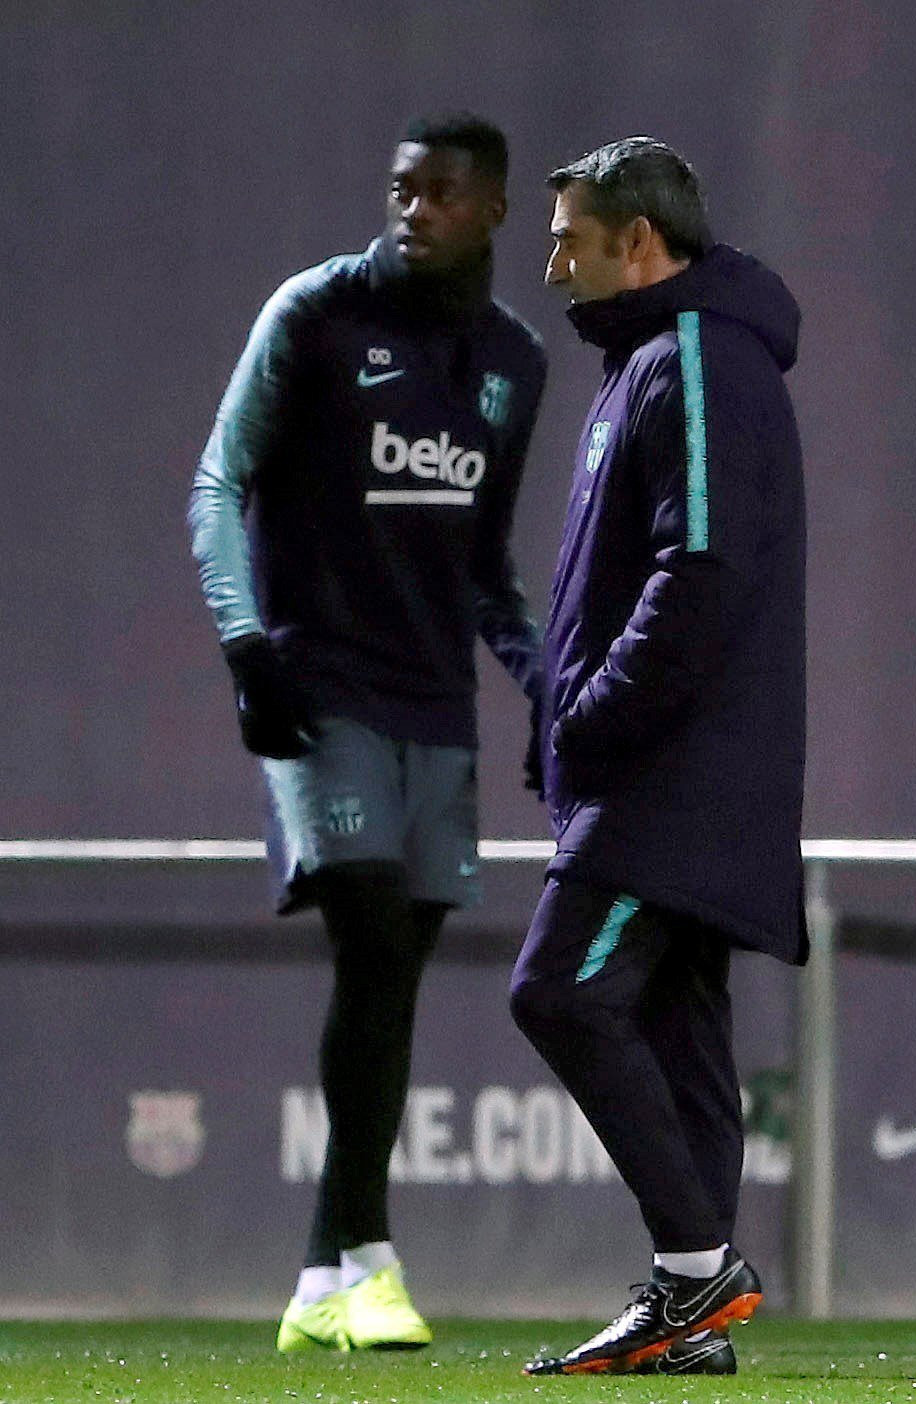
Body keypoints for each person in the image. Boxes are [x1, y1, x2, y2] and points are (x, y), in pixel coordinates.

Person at [189, 113, 546, 1354]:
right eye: (401, 188)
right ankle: (375, 1262)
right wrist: (245, 643)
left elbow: (484, 566)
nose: (414, 209)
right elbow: (219, 479)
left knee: (389, 976)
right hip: (319, 687)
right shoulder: (316, 314)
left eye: (442, 192)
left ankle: (316, 1278)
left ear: (492, 210)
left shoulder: (513, 362)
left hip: (432, 705)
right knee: (374, 935)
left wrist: (540, 680)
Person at [510, 137, 807, 1378]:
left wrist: (593, 717)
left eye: (571, 239)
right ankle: (691, 1306)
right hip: (664, 767)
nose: (553, 262)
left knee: (561, 992)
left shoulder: (692, 357)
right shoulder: (651, 361)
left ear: (640, 241)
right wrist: (565, 719)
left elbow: (703, 570)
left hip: (673, 776)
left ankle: (698, 1273)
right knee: (678, 1032)